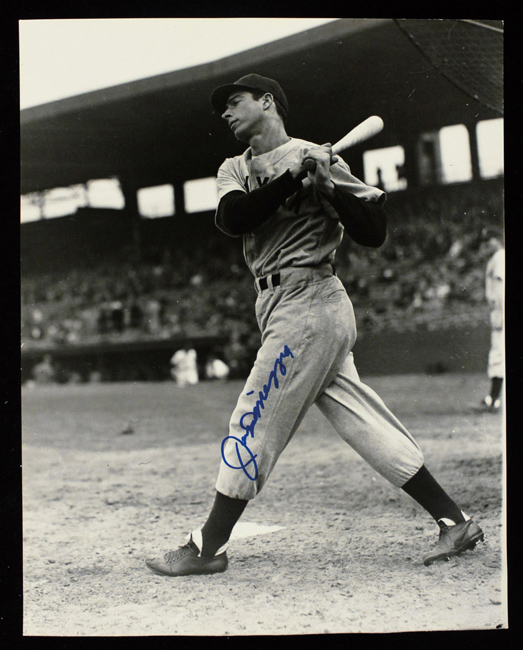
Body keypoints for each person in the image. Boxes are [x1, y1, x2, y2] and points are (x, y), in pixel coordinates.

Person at [146, 74, 484, 577]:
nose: (226, 113)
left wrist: (329, 188)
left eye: (235, 102)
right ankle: (454, 521)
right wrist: (290, 180)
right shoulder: (233, 168)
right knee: (362, 419)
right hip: (279, 304)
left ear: (267, 102)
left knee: (253, 417)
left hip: (310, 298)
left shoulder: (320, 158)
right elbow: (234, 218)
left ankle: (207, 545)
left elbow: (374, 230)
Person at [480, 227, 505, 413]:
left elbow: (502, 287)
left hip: (501, 312)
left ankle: (494, 399)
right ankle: (493, 397)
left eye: (488, 241)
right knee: (498, 355)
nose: (485, 246)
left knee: (498, 355)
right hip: (499, 311)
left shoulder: (500, 257)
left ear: (496, 240)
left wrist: (500, 313)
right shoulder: (498, 257)